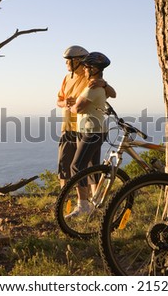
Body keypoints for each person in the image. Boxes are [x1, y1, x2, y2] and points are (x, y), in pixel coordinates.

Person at [56, 46, 116, 189]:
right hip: (68, 127)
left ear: (76, 60)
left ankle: (90, 202)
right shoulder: (66, 79)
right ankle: (65, 200)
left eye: (67, 61)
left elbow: (112, 94)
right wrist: (64, 103)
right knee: (64, 166)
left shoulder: (89, 77)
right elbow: (58, 101)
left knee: (89, 168)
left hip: (86, 129)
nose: (65, 64)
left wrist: (105, 84)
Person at [66, 52, 111, 218]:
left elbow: (78, 108)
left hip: (92, 132)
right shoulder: (98, 85)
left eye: (86, 67)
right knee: (92, 167)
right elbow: (113, 93)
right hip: (93, 130)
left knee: (76, 167)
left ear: (92, 69)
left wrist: (70, 106)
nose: (84, 69)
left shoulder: (94, 87)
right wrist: (105, 84)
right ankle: (96, 203)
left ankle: (83, 205)